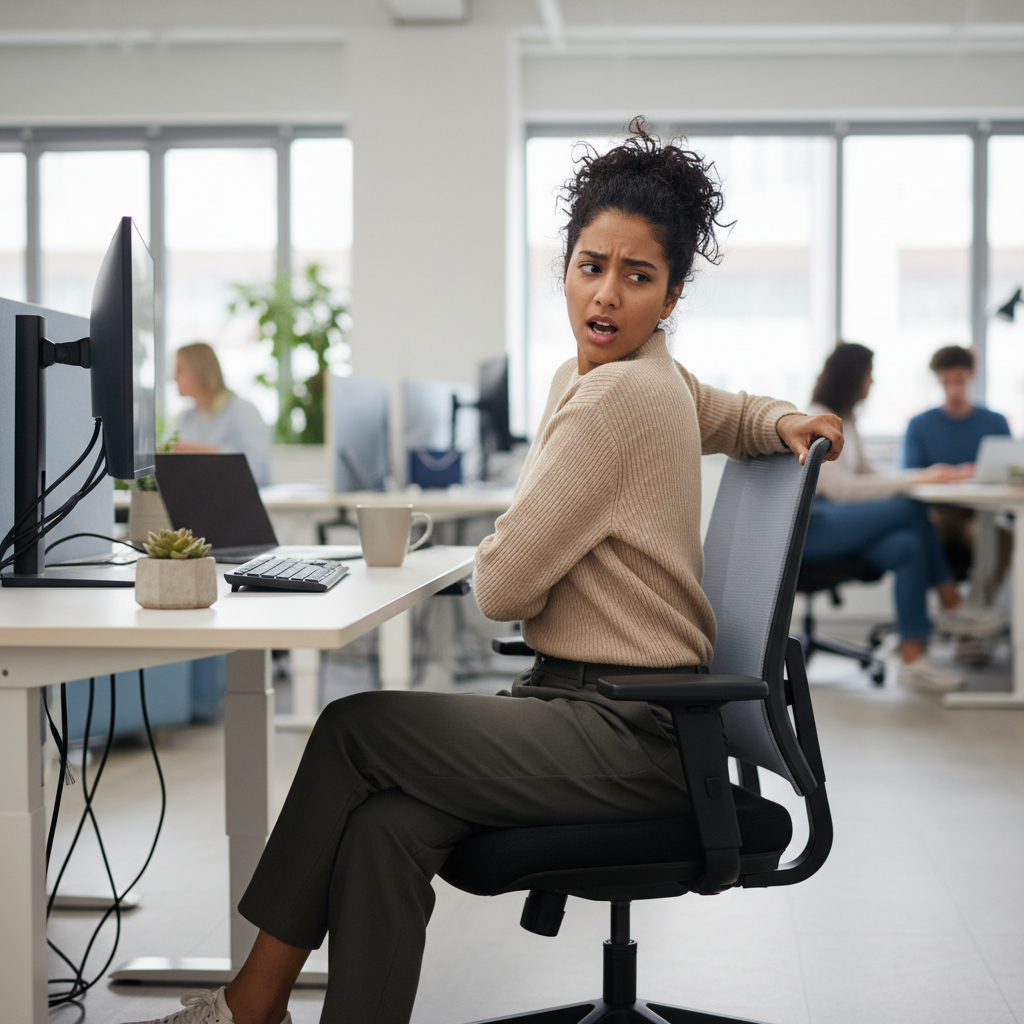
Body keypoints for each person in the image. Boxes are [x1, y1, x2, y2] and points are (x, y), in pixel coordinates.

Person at [126, 119, 843, 1024]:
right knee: (388, 827)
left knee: (352, 731)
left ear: (671, 294)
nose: (608, 294)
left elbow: (501, 594)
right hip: (597, 712)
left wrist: (522, 527)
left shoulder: (616, 396)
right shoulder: (639, 377)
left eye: (638, 275)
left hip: (630, 731)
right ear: (566, 266)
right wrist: (776, 417)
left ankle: (248, 1006)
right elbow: (717, 408)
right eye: (592, 264)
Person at [804, 342, 1004, 694]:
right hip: (817, 529)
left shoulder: (846, 421)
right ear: (852, 378)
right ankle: (951, 603)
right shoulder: (818, 416)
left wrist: (924, 476)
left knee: (908, 545)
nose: (872, 383)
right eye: (869, 375)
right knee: (910, 508)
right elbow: (844, 491)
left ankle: (913, 661)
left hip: (843, 525)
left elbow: (869, 474)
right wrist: (919, 479)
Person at [903, 344, 1012, 598]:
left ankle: (976, 608)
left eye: (959, 380)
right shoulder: (920, 425)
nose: (953, 389)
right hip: (937, 515)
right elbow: (909, 476)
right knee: (918, 532)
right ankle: (948, 600)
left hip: (979, 514)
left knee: (998, 537)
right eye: (946, 382)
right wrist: (948, 474)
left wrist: (976, 473)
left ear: (971, 375)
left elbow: (1010, 471)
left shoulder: (995, 422)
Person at [173, 342, 272, 487]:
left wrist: (207, 454)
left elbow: (258, 473)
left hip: (241, 503)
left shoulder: (244, 412)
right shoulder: (186, 419)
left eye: (179, 371)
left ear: (198, 371)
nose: (173, 378)